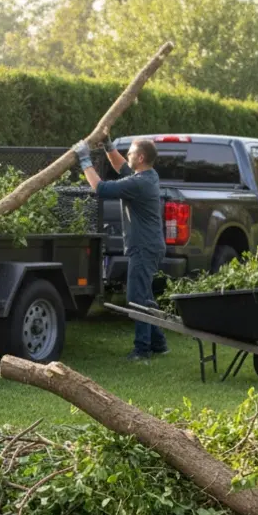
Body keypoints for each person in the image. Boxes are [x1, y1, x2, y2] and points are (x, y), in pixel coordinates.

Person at [74, 135, 169, 361]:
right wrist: (108, 147)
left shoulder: (139, 183)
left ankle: (142, 349)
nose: (128, 155)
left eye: (131, 153)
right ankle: (159, 343)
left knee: (136, 299)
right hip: (148, 246)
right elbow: (123, 167)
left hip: (144, 248)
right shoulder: (147, 176)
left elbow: (100, 188)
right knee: (143, 295)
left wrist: (84, 159)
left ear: (141, 157)